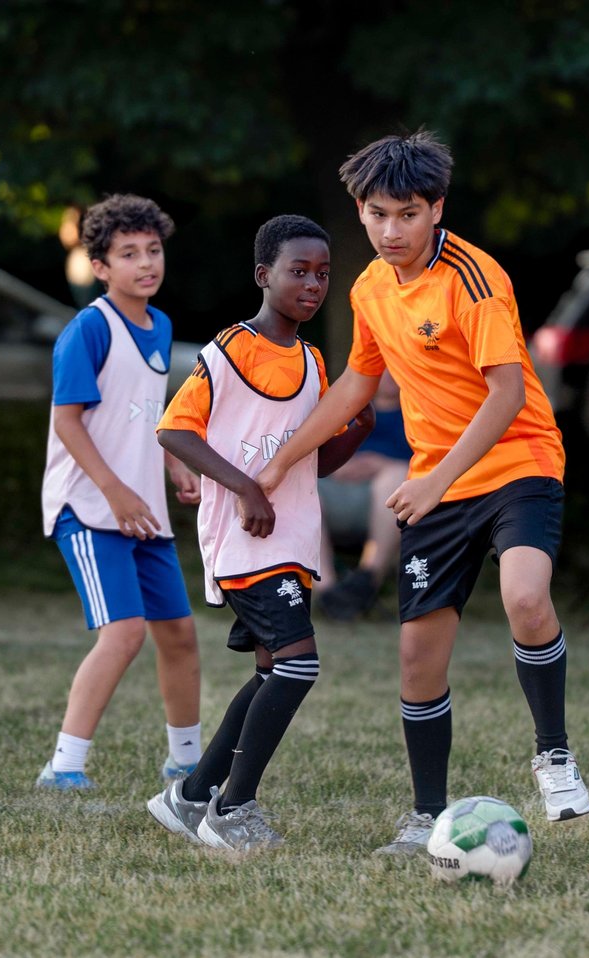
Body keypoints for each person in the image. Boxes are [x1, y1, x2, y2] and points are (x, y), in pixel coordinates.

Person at [256, 129, 589, 856]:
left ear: (436, 209)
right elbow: (357, 383)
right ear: (360, 211)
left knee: (526, 598)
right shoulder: (371, 287)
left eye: (407, 214)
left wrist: (434, 477)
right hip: (437, 483)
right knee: (417, 659)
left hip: (516, 460)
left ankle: (555, 755)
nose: (390, 230)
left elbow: (506, 395)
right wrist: (285, 458)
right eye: (377, 214)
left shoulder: (475, 279)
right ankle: (425, 818)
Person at [146, 214, 374, 852]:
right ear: (263, 275)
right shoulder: (230, 349)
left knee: (275, 669)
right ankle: (233, 809)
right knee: (299, 666)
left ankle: (191, 797)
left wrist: (352, 432)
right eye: (298, 271)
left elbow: (314, 463)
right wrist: (245, 486)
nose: (312, 284)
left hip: (292, 541)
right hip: (244, 538)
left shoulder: (312, 361)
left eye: (323, 273)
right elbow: (174, 430)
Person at [37, 193, 203, 791]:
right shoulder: (89, 329)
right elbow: (68, 422)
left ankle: (187, 762)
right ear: (100, 268)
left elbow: (142, 418)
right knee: (125, 633)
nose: (145, 263)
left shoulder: (159, 326)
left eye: (153, 251)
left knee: (179, 634)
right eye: (127, 254)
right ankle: (64, 767)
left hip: (142, 512)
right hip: (89, 507)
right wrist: (114, 493)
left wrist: (174, 466)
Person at [315, 370, 411, 621]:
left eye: (395, 369)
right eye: (382, 370)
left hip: (387, 501)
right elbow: (314, 450)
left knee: (398, 474)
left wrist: (381, 464)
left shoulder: (416, 412)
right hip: (335, 493)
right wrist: (339, 464)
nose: (390, 376)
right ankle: (327, 590)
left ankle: (368, 578)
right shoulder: (344, 408)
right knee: (301, 487)